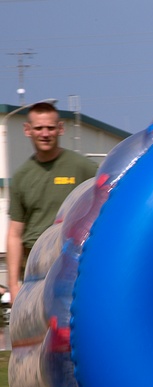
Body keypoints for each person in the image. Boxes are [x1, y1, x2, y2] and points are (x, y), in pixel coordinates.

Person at [6, 102, 97, 303]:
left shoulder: (82, 167)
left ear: (60, 128)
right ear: (27, 130)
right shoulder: (21, 176)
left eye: (50, 127)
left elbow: (108, 195)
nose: (45, 133)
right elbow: (14, 233)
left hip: (72, 266)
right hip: (35, 273)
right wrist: (13, 285)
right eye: (38, 128)